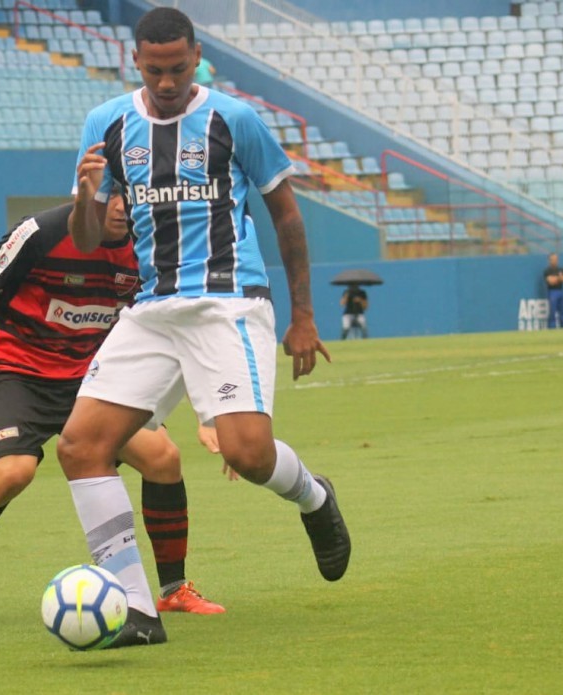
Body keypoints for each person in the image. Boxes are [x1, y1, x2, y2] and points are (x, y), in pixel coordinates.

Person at [62, 7, 350, 649]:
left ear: (197, 59)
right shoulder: (105, 124)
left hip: (228, 301)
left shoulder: (234, 119)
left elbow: (287, 216)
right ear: (136, 62)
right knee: (81, 447)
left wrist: (302, 315)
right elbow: (87, 239)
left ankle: (313, 496)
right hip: (153, 308)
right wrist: (86, 197)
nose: (167, 83)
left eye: (179, 69)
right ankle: (137, 609)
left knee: (248, 455)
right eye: (155, 70)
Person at [0, 193, 225, 628]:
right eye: (110, 194)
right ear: (86, 192)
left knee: (162, 457)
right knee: (13, 473)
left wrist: (211, 413)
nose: (120, 206)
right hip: (18, 370)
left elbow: (181, 329)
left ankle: (172, 589)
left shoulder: (150, 246)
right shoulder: (41, 233)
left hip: (92, 378)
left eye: (129, 195)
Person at [543, 253, 563, 328]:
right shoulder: (547, 271)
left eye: (556, 259)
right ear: (550, 260)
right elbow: (551, 281)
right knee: (552, 312)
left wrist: (558, 279)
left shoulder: (561, 269)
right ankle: (552, 329)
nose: (555, 261)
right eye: (553, 259)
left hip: (561, 291)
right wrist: (560, 278)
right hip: (552, 292)